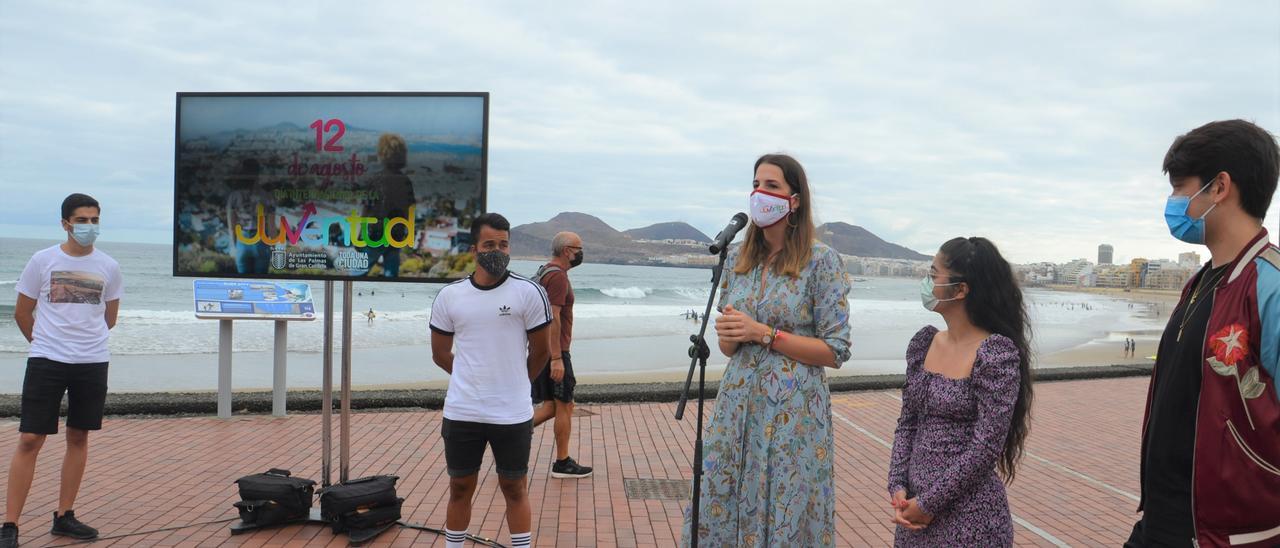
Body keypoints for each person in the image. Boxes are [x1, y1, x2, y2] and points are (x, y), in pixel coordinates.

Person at [683, 153, 852, 546]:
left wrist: (765, 334)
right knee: (724, 496)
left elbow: (836, 350)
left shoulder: (821, 261)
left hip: (793, 414)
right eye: (756, 184)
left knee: (784, 502)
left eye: (772, 186)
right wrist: (729, 334)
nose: (760, 193)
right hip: (737, 407)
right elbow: (729, 348)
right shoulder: (740, 259)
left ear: (795, 199)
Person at [1126, 120, 1280, 548]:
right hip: (1162, 520)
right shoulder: (1200, 283)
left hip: (1232, 535)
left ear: (1219, 187)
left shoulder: (1269, 286)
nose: (1173, 202)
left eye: (1180, 188)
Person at [887, 237, 1034, 547]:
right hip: (914, 518)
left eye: (933, 273)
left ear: (961, 289)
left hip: (970, 519)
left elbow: (985, 447)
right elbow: (908, 422)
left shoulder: (995, 354)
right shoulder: (924, 343)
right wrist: (897, 486)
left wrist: (930, 503)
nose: (926, 282)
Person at [3, 194, 123, 547]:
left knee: (78, 436)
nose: (88, 226)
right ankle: (10, 524)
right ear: (65, 223)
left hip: (92, 361)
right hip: (47, 360)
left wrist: (81, 344)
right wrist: (43, 345)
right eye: (81, 220)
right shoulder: (42, 261)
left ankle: (64, 516)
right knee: (29, 439)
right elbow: (22, 313)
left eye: (94, 219)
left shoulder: (109, 266)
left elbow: (109, 318)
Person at [429, 212, 552, 548]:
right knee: (459, 487)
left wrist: (515, 382)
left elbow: (542, 352)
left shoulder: (529, 292)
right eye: (489, 244)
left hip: (511, 412)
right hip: (462, 411)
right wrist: (473, 377)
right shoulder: (450, 296)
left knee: (514, 487)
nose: (497, 250)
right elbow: (440, 353)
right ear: (474, 249)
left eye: (503, 244)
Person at [530, 231, 593, 478]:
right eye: (579, 248)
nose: (581, 252)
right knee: (565, 404)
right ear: (567, 250)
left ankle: (510, 436)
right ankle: (562, 462)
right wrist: (556, 358)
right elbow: (553, 317)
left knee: (551, 406)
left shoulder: (546, 271)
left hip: (543, 349)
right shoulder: (557, 277)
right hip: (555, 352)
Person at [363, 133, 417, 278]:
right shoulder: (405, 181)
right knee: (391, 274)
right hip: (395, 235)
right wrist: (405, 233)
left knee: (359, 270)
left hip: (375, 234)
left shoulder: (375, 180)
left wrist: (360, 236)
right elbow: (409, 210)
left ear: (382, 154)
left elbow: (366, 210)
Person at [224, 158, 273, 275]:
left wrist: (235, 247)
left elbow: (232, 227)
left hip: (242, 240)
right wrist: (273, 248)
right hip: (261, 240)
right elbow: (271, 227)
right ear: (257, 174)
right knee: (262, 284)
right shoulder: (266, 196)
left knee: (243, 284)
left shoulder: (233, 196)